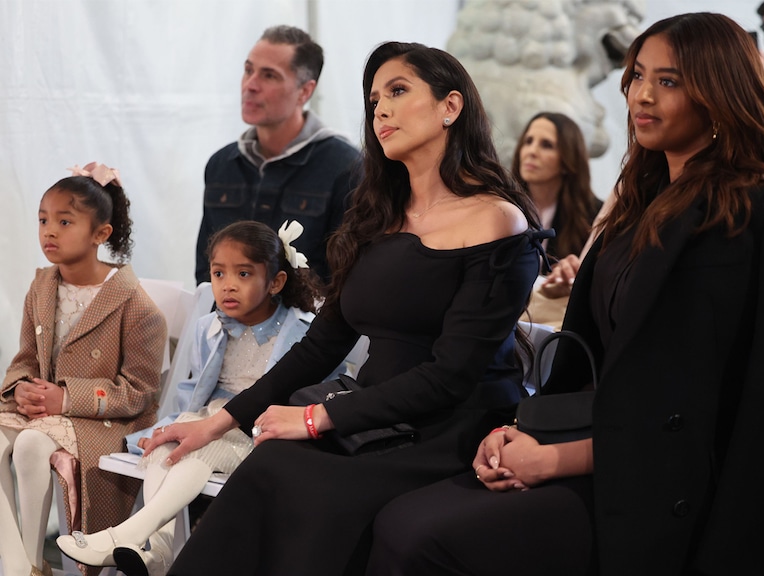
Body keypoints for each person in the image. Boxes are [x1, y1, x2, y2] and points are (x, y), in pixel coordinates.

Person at [367, 12, 764, 576]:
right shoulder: (645, 201)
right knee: (397, 518)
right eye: (636, 75)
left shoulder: (741, 214)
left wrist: (554, 458)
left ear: (719, 91)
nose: (642, 95)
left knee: (424, 536)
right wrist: (521, 432)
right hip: (601, 442)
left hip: (662, 480)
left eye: (669, 80)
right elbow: (591, 365)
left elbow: (691, 406)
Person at [143, 41, 545, 575]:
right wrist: (216, 424)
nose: (380, 109)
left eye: (398, 92)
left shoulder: (497, 220)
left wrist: (316, 418)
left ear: (451, 107)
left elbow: (451, 376)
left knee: (311, 488)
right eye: (374, 98)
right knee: (270, 466)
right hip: (374, 415)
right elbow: (322, 345)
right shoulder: (376, 216)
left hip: (453, 426)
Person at [56, 219, 333, 576]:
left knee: (195, 443)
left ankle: (126, 535)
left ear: (276, 281)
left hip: (261, 431)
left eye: (244, 274)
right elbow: (194, 392)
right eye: (218, 274)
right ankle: (156, 553)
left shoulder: (302, 333)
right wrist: (172, 425)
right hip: (208, 420)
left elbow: (310, 395)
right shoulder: (211, 327)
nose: (228, 285)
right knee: (168, 441)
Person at [0, 163, 166, 576]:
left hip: (105, 421)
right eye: (43, 220)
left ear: (101, 234)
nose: (49, 231)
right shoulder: (42, 286)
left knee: (31, 445)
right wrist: (20, 387)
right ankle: (23, 566)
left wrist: (67, 397)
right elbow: (27, 359)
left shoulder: (135, 305)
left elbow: (141, 392)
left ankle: (34, 562)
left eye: (64, 221)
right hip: (47, 412)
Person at [195, 25, 362, 285]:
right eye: (248, 70)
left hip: (308, 324)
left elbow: (347, 279)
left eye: (269, 76)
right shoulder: (222, 164)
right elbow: (205, 271)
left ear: (305, 91)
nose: (250, 85)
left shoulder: (345, 167)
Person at [511, 111, 602, 327]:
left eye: (546, 145)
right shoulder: (502, 205)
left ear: (567, 159)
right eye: (528, 141)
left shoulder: (594, 217)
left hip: (556, 326)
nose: (532, 151)